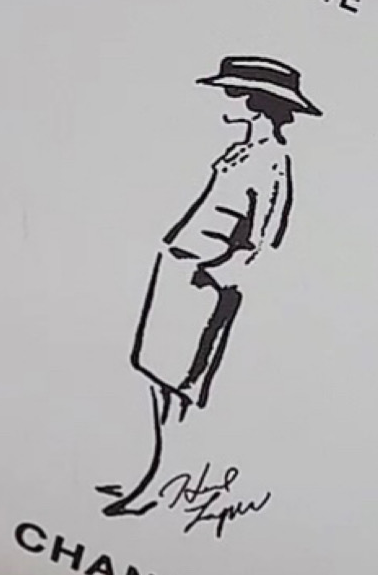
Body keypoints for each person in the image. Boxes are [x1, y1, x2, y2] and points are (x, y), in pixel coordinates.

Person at [101, 53, 320, 518]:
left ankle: (163, 482)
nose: (224, 100)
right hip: (181, 271)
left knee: (182, 385)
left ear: (255, 102)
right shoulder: (241, 151)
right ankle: (154, 475)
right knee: (158, 376)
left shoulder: (271, 160)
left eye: (232, 92)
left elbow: (263, 237)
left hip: (206, 283)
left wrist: (216, 273)